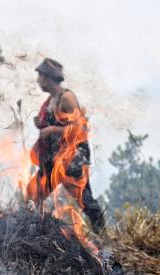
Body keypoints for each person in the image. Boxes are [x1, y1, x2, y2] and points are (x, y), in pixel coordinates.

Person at [26, 58, 105, 233]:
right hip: (54, 156)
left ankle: (103, 236)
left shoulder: (67, 97)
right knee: (33, 193)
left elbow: (80, 127)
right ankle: (34, 232)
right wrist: (42, 124)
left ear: (49, 78)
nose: (38, 80)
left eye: (40, 76)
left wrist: (52, 129)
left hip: (72, 155)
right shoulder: (49, 101)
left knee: (84, 198)